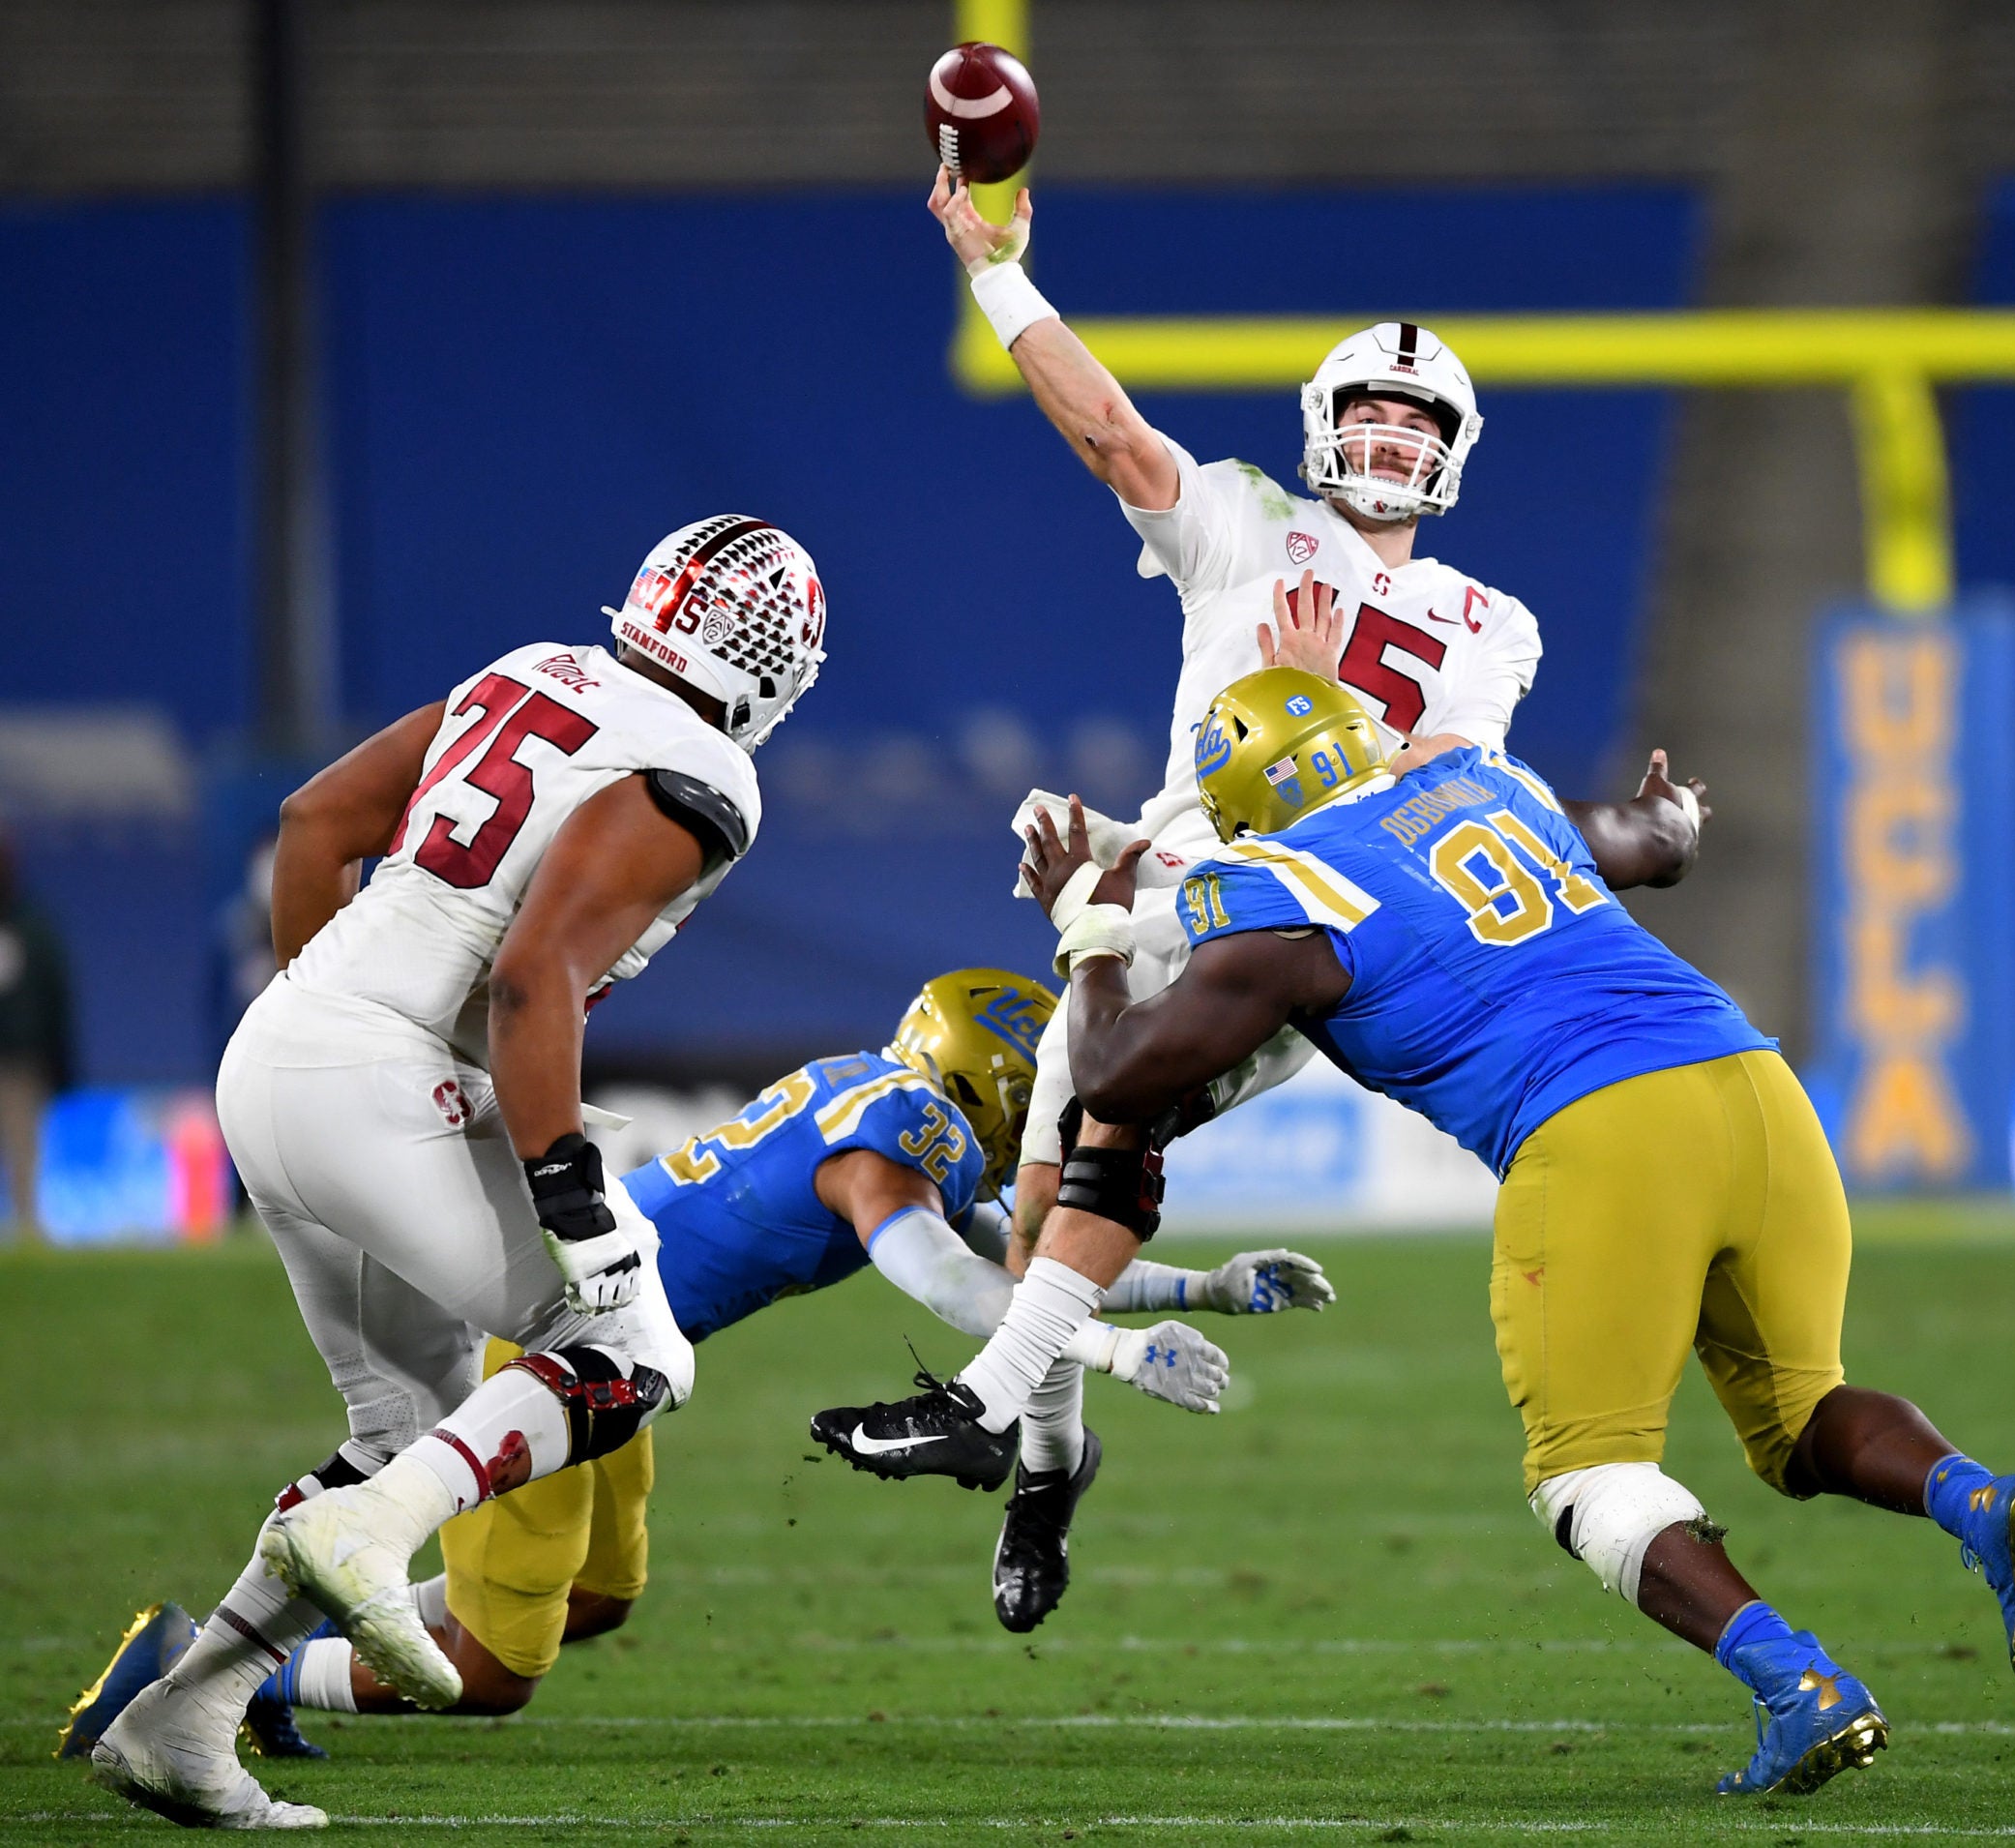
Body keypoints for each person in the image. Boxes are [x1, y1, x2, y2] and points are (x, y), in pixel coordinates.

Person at [830, 669, 2015, 1800]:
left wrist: (1086, 924)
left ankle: (1800, 1684)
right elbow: (1648, 840)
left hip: (1598, 1132)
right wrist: (1679, 820)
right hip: (1756, 1092)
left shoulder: (1282, 894)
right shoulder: (1485, 780)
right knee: (1801, 1415)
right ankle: (1979, 1500)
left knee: (1589, 1475)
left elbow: (1115, 1068)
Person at [63, 967, 1327, 1758]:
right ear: (993, 1086)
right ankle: (215, 1671)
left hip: (618, 1346)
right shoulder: (906, 1136)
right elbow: (949, 1283)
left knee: (600, 1601)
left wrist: (1200, 1286)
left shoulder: (876, 1097)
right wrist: (1112, 1344)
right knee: (499, 1675)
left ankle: (267, 1658)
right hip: (563, 1344)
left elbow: (1011, 1266)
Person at [90, 516, 832, 1832]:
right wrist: (568, 1193)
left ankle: (185, 1717)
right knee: (633, 1344)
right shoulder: (701, 765)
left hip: (277, 1046)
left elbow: (314, 821)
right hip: (365, 1074)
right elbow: (532, 975)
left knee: (403, 1424)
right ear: (772, 659)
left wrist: (341, 1034)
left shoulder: (537, 667)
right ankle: (371, 1536)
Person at [917, 166, 1545, 1476]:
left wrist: (1318, 700)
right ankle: (1042, 1470)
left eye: (1412, 420)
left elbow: (1431, 790)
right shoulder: (1253, 520)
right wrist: (998, 269)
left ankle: (996, 1410)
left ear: (1455, 448)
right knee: (1049, 1190)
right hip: (1167, 882)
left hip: (1306, 926)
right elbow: (1112, 433)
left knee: (1109, 1109)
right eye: (1366, 412)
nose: (1385, 439)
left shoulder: (1491, 625)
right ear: (1323, 422)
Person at [0, 820, 74, 1241]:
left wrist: (59, 1060)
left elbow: (55, 997)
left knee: (22, 1155)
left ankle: (26, 1232)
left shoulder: (33, 928)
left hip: (20, 1065)